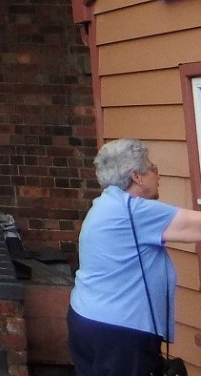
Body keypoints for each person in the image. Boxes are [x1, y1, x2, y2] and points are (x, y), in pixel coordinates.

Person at [69, 137, 201, 375]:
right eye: (152, 168)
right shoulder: (134, 212)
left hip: (86, 320)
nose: (157, 176)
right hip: (119, 333)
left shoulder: (104, 205)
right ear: (136, 176)